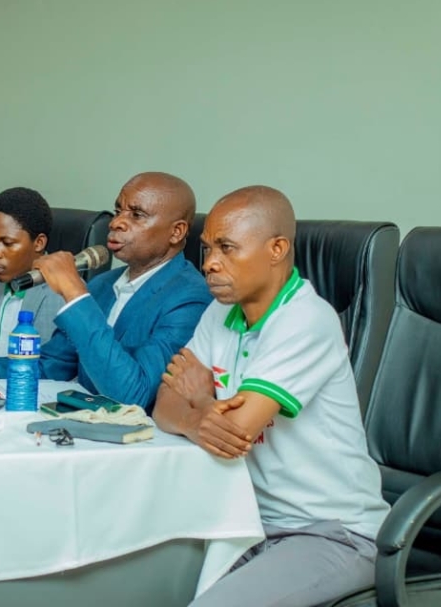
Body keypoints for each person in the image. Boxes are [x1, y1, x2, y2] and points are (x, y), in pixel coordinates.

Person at [152, 186, 388, 607]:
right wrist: (195, 417)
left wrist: (201, 401)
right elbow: (164, 406)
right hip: (244, 521)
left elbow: (235, 434)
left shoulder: (305, 319)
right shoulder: (220, 312)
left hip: (332, 532)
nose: (209, 263)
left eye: (226, 248)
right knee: (131, 579)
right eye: (207, 248)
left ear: (277, 249)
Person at [0, 172, 211, 410]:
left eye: (136, 215)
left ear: (176, 232)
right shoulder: (103, 285)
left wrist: (74, 293)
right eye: (118, 210)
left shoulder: (190, 296)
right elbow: (47, 367)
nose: (116, 222)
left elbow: (133, 393)